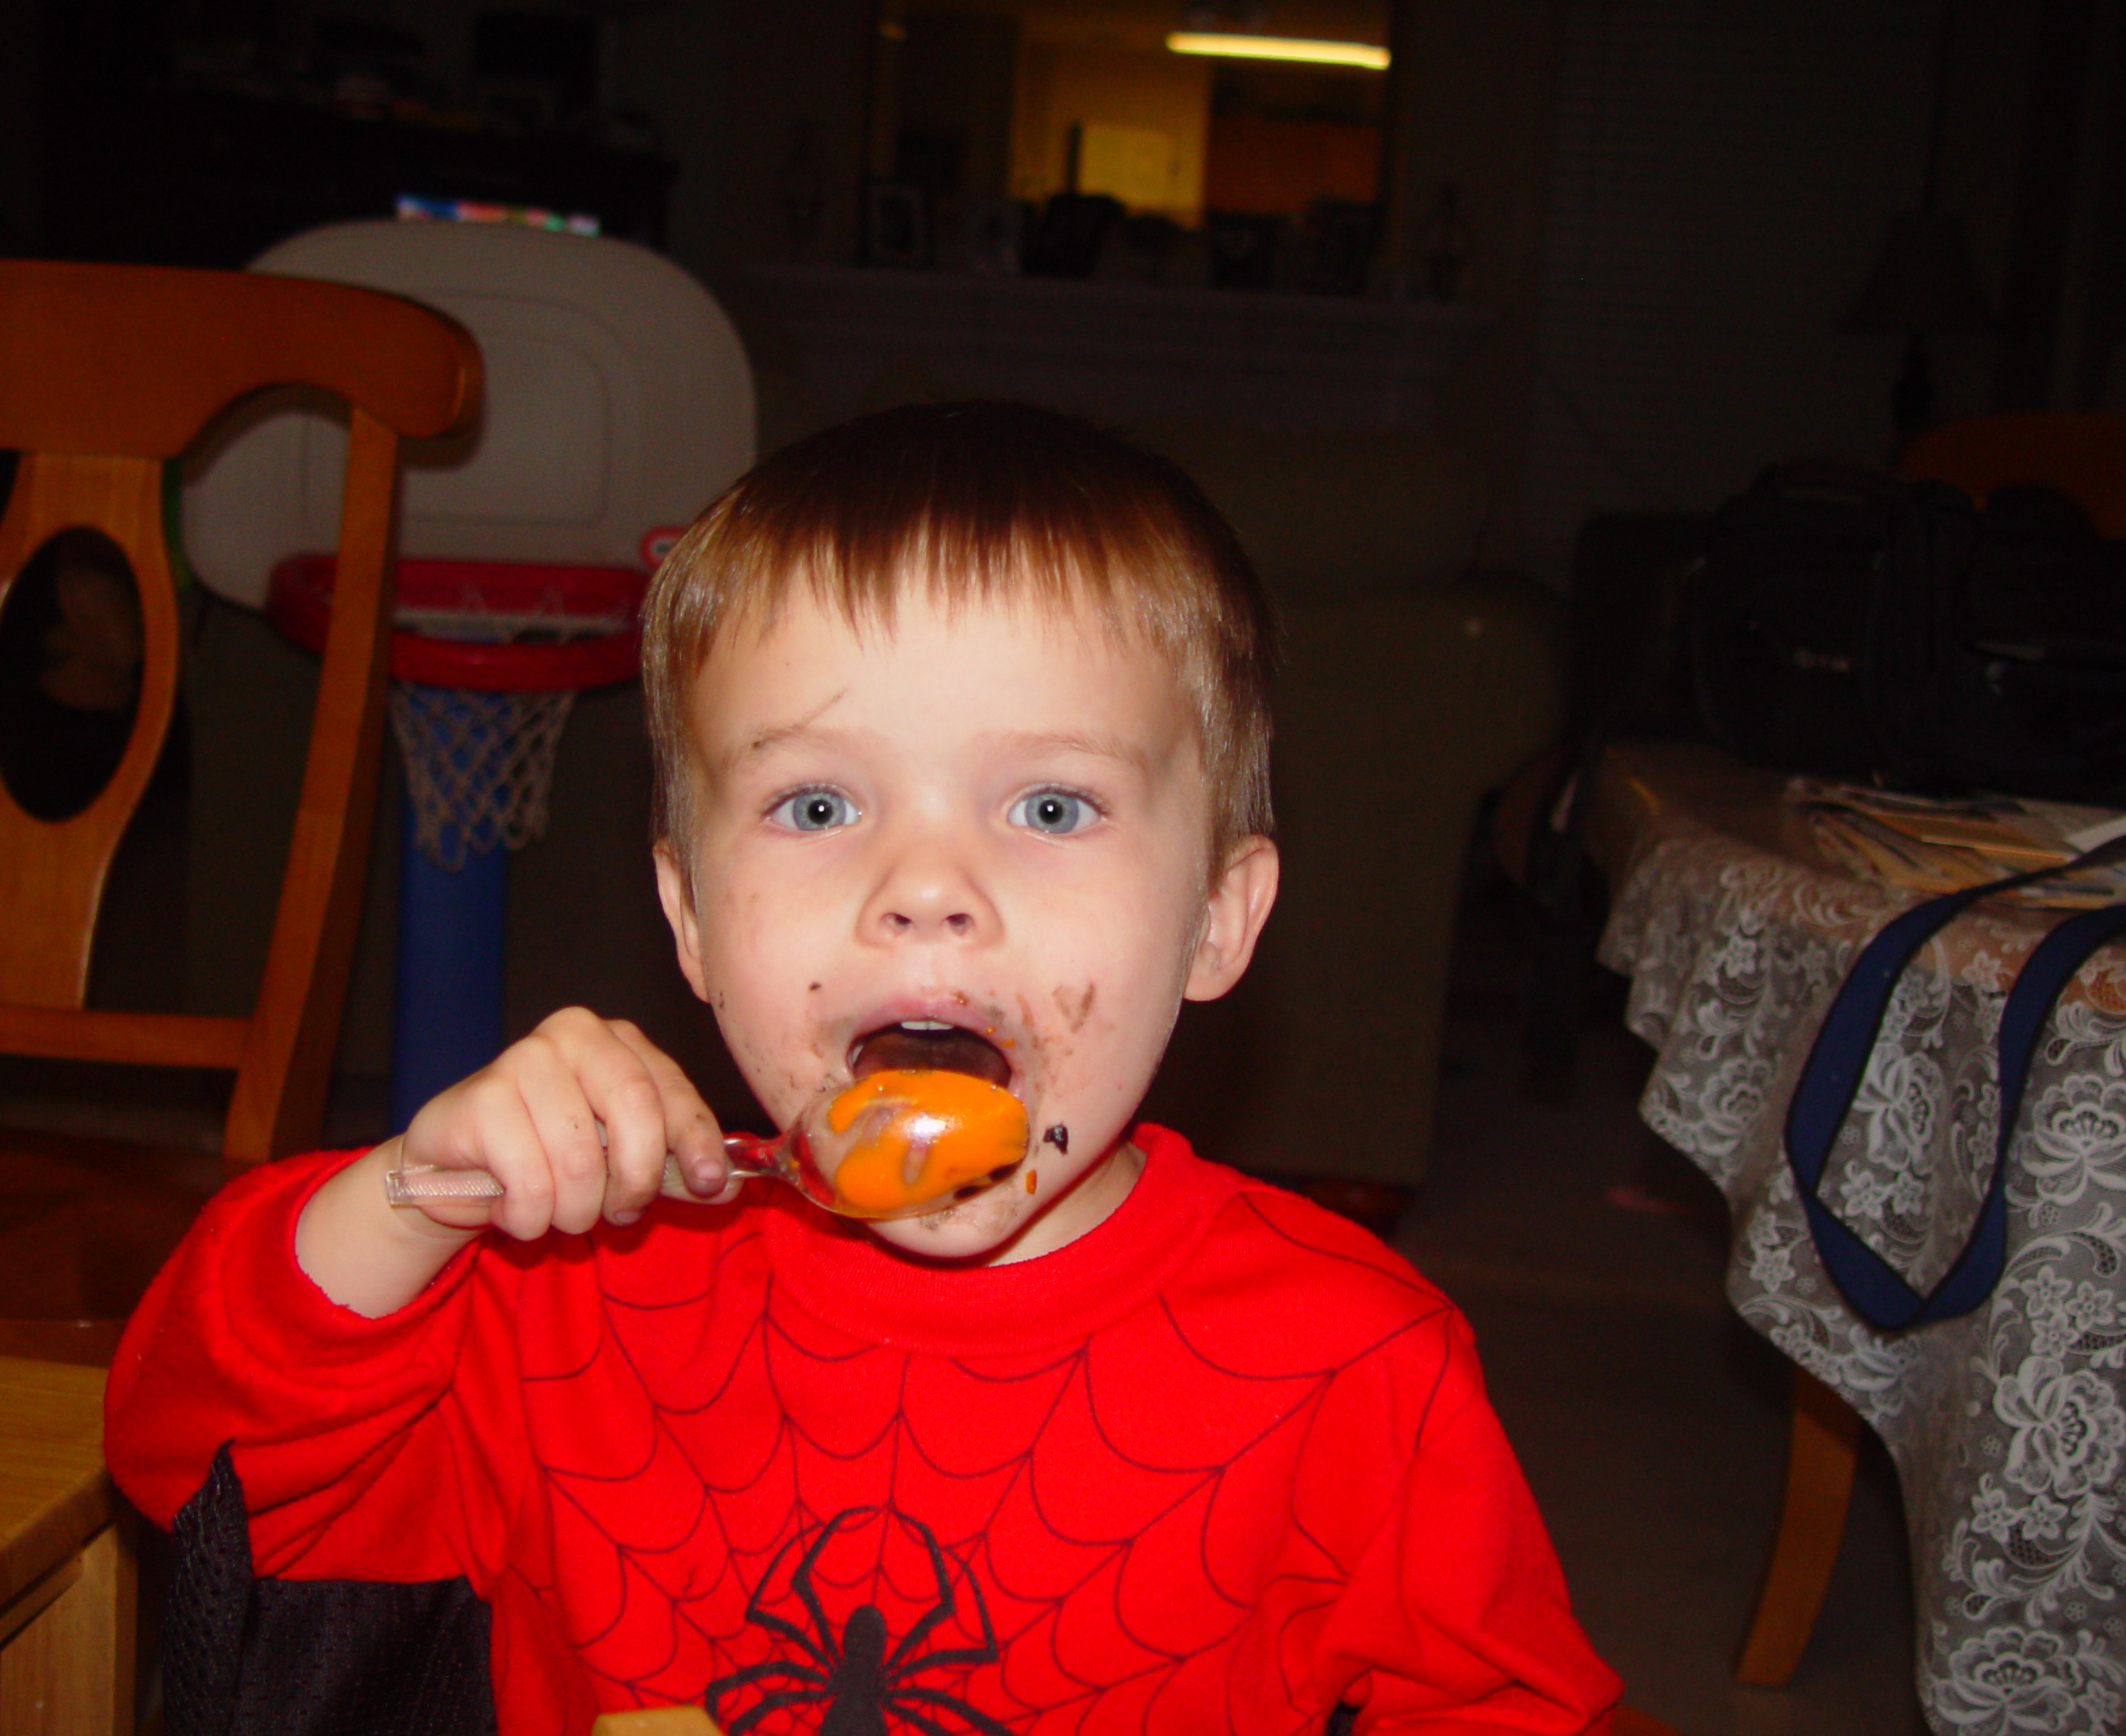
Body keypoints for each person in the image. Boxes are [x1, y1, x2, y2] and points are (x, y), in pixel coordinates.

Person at [107, 402, 1622, 1735]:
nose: (926, 885)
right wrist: (408, 1202)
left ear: (1218, 921)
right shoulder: (554, 1282)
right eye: (820, 807)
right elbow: (188, 1469)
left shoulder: (1354, 1365)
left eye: (1048, 808)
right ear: (690, 920)